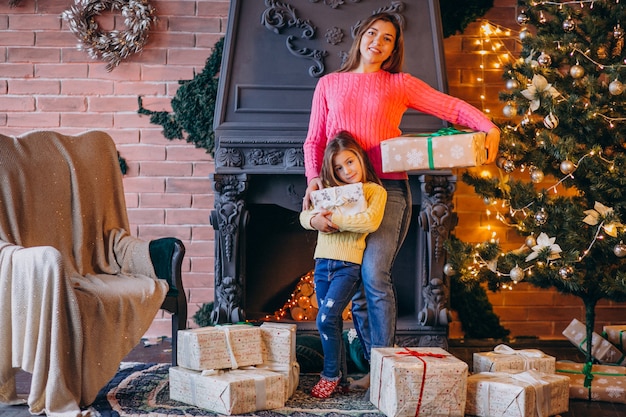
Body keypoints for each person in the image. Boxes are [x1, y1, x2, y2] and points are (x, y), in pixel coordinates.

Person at [302, 12, 501, 389]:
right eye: (373, 32)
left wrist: (489, 126)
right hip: (343, 196)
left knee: (374, 274)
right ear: (360, 35)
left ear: (394, 49)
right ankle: (368, 368)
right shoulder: (330, 84)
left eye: (388, 38)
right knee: (355, 287)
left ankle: (384, 371)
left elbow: (451, 108)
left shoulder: (399, 84)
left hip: (389, 190)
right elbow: (314, 140)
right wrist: (314, 181)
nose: (378, 41)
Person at [300, 131, 387, 398]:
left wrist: (334, 221)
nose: (346, 170)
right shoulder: (327, 192)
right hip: (322, 263)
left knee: (324, 318)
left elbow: (370, 222)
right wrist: (315, 221)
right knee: (332, 321)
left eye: (350, 162)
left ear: (360, 158)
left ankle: (330, 374)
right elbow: (305, 215)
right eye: (339, 167)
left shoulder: (375, 191)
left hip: (348, 266)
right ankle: (340, 377)